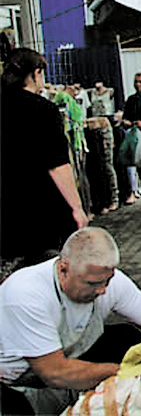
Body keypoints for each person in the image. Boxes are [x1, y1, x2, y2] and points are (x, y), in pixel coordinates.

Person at [0, 227, 141, 415]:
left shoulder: (111, 281)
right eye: (92, 283)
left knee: (127, 338)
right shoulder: (25, 294)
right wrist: (122, 373)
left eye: (106, 281)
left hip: (69, 359)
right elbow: (54, 372)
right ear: (63, 269)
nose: (102, 290)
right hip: (17, 383)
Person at [0, 48, 90, 268]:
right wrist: (77, 208)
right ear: (36, 73)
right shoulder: (44, 110)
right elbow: (57, 165)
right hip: (41, 210)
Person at [86, 80, 118, 215]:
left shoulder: (110, 92)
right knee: (100, 166)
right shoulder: (89, 93)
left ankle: (114, 196)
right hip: (93, 129)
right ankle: (106, 197)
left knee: (108, 164)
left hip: (105, 127)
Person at [122, 72, 141, 207]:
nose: (138, 85)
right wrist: (128, 122)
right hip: (136, 137)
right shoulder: (131, 100)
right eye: (136, 82)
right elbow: (125, 117)